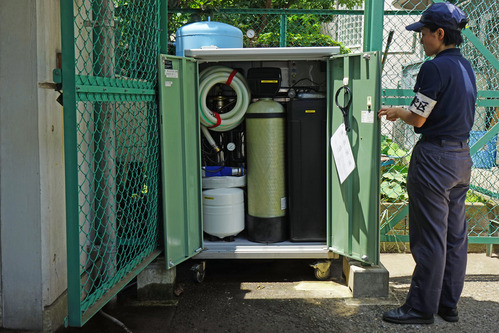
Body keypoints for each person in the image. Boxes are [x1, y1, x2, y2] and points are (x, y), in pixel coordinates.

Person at [378, 2, 476, 325]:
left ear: (439, 33)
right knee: (454, 235)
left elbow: (419, 118)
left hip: (435, 158)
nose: (420, 38)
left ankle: (420, 308)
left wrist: (397, 112)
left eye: (423, 32)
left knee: (431, 236)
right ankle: (448, 304)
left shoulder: (433, 68)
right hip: (462, 157)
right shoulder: (466, 68)